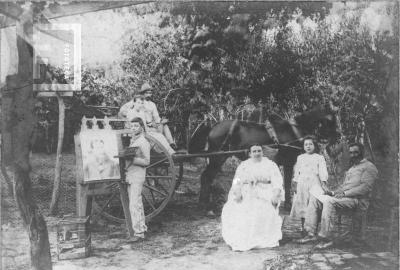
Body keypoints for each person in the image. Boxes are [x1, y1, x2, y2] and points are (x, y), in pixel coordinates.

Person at [298, 142, 378, 249]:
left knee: (329, 202)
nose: (353, 155)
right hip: (344, 199)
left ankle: (326, 238)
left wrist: (344, 194)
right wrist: (332, 193)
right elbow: (344, 187)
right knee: (315, 198)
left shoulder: (369, 167)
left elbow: (365, 188)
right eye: (351, 153)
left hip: (357, 201)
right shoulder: (352, 168)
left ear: (362, 153)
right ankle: (310, 233)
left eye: (356, 152)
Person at [221, 144, 284, 251]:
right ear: (249, 153)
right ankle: (244, 236)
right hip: (247, 190)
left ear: (262, 152)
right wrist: (237, 191)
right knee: (240, 208)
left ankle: (262, 237)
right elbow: (237, 180)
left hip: (264, 191)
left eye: (259, 151)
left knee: (263, 208)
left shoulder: (270, 164)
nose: (257, 153)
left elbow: (277, 180)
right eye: (254, 151)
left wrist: (276, 194)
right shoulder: (244, 165)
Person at [290, 135, 329, 233]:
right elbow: (297, 171)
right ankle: (304, 228)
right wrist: (295, 183)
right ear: (303, 146)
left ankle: (313, 228)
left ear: (315, 145)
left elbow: (322, 172)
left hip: (314, 184)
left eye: (310, 144)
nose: (308, 146)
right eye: (306, 144)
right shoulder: (300, 157)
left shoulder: (319, 158)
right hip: (302, 184)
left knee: (312, 206)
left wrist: (323, 184)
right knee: (303, 205)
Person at [125, 117, 151, 242]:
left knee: (134, 204)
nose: (133, 128)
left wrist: (131, 159)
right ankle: (142, 229)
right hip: (131, 175)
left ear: (141, 127)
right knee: (136, 203)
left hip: (138, 175)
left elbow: (147, 161)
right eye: (132, 126)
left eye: (136, 126)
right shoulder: (134, 141)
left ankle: (139, 233)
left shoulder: (143, 141)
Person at [137, 82, 177, 150]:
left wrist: (160, 121)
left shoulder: (152, 104)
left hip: (153, 125)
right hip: (145, 127)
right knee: (160, 126)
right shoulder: (140, 103)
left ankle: (171, 143)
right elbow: (141, 117)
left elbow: (156, 117)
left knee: (164, 125)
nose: (149, 95)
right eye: (147, 93)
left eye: (150, 93)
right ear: (143, 94)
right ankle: (162, 146)